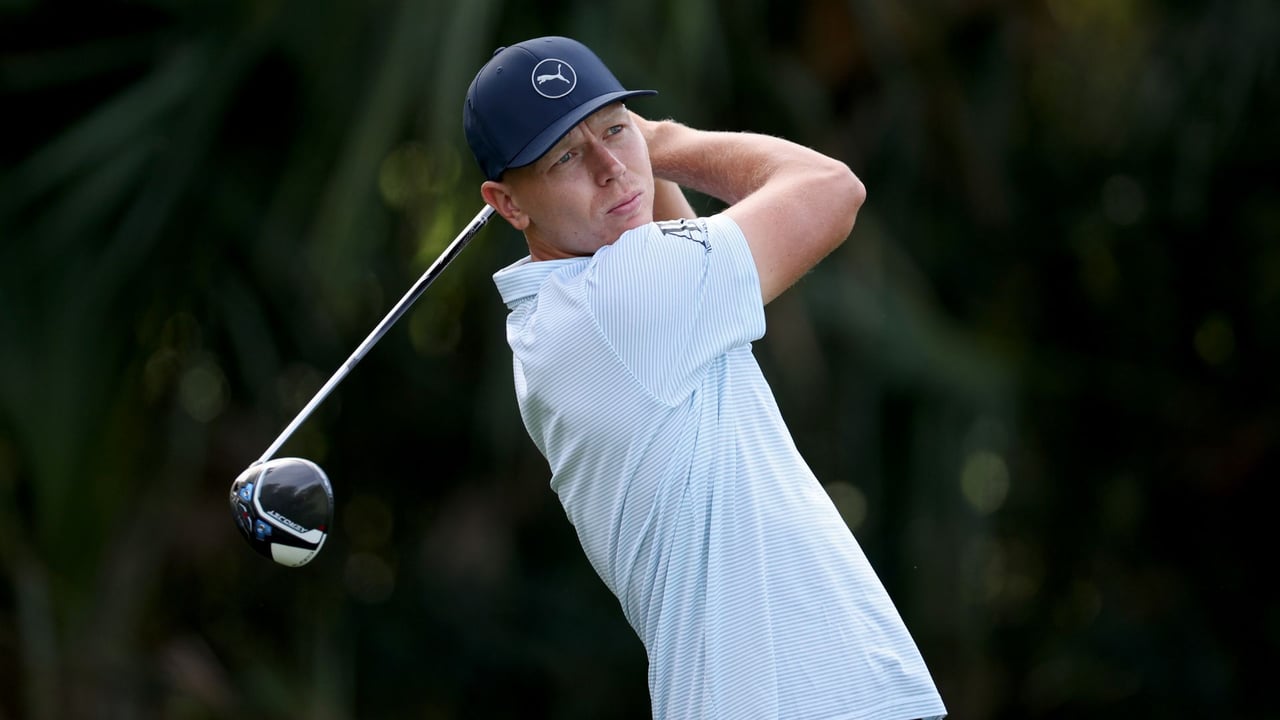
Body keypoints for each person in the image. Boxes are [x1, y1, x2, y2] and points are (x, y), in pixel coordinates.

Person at [463, 36, 947, 720]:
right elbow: (832, 189)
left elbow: (670, 232)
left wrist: (635, 160)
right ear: (508, 205)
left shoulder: (565, 316)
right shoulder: (622, 301)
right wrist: (662, 140)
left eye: (614, 130)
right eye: (567, 156)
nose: (609, 167)